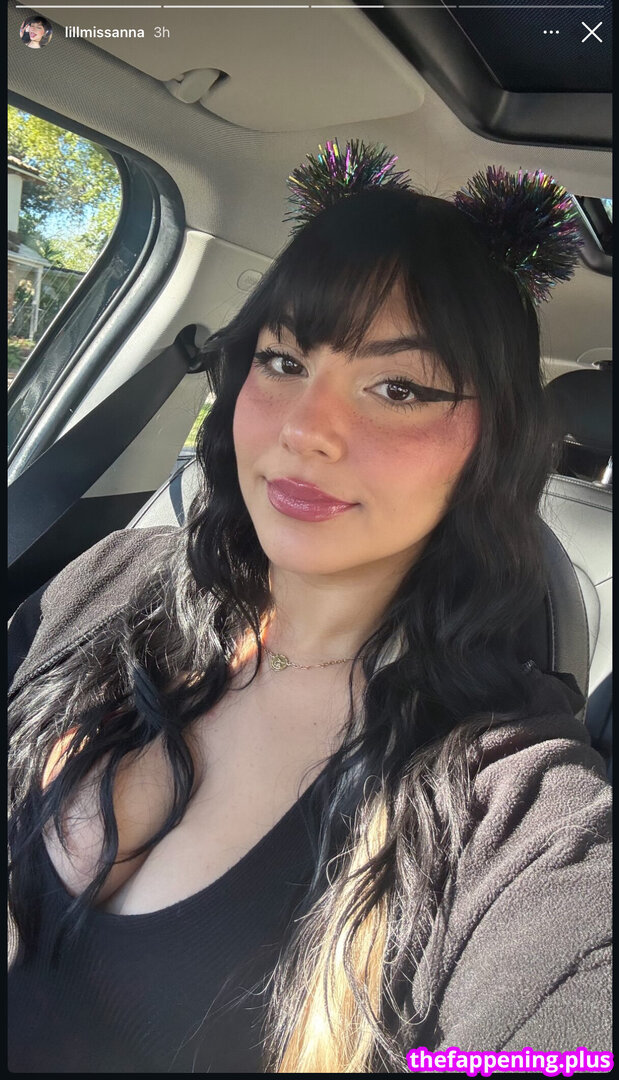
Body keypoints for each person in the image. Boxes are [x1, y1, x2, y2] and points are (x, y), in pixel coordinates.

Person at [8, 142, 611, 1073]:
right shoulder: (110, 580)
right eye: (284, 360)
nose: (304, 430)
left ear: (490, 441)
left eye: (398, 388)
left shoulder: (504, 797)